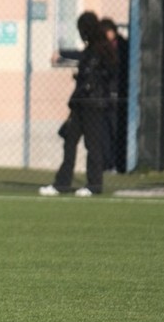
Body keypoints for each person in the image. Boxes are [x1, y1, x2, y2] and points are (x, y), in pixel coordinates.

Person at [40, 11, 117, 197]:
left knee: (92, 145)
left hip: (92, 104)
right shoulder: (94, 49)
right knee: (70, 140)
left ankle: (94, 184)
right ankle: (63, 183)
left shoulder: (101, 50)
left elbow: (95, 73)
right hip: (81, 104)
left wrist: (84, 78)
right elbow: (83, 60)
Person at [100, 18, 129, 174]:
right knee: (105, 132)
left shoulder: (123, 47)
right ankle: (108, 164)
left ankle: (119, 164)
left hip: (119, 96)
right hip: (105, 97)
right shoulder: (102, 49)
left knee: (116, 130)